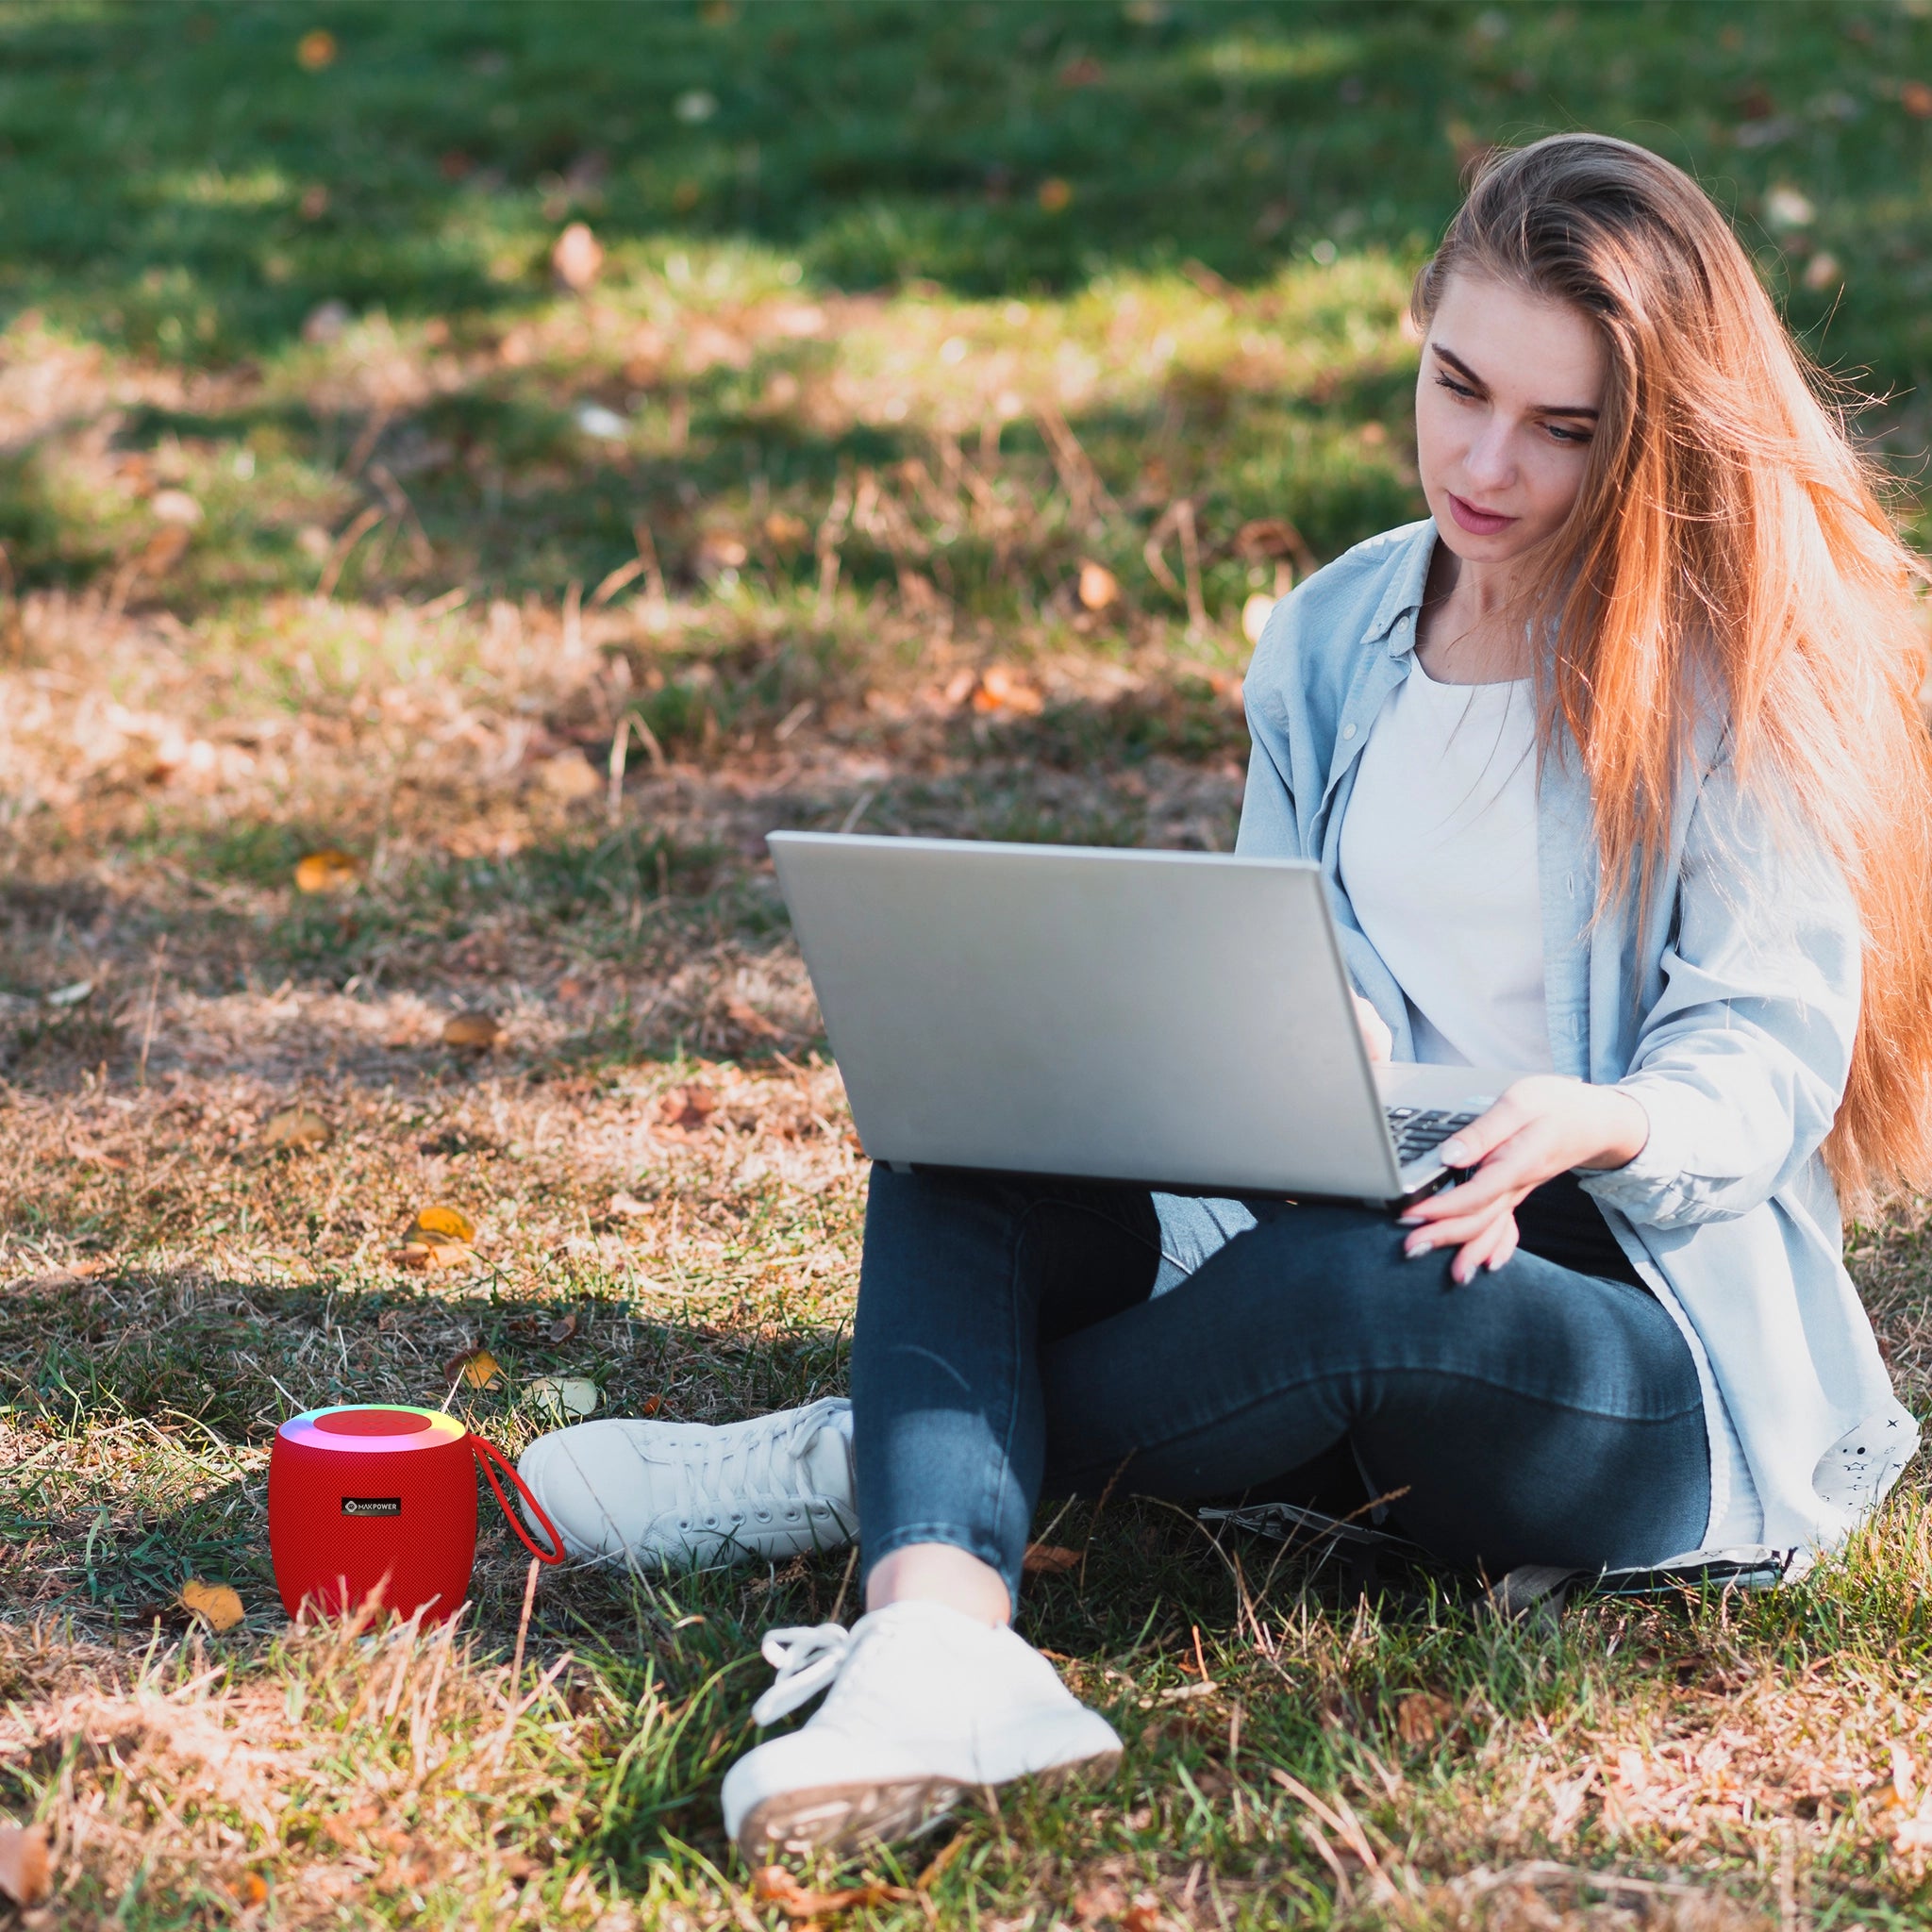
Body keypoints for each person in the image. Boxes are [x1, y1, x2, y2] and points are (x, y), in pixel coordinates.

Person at [519, 133, 1932, 1862]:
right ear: (1419, 337)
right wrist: (1282, 1046)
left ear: (1652, 437)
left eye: (1564, 430)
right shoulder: (1340, 629)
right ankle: (940, 1648)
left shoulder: (1731, 673)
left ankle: (874, 1454)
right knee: (972, 1130)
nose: (1487, 461)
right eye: (1458, 386)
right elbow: (1292, 942)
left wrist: (1604, 1116)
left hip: (1616, 1329)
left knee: (1353, 1286)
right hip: (1337, 1195)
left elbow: (1765, 1053)